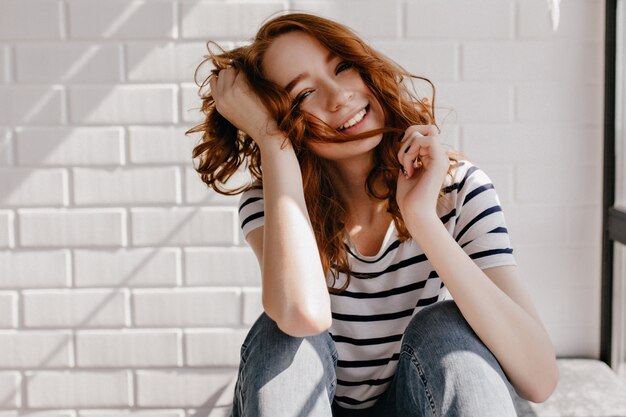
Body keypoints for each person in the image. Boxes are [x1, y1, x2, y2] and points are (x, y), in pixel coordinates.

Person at [187, 12, 559, 417]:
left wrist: (421, 218)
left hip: (415, 402)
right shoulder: (272, 200)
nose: (338, 96)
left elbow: (538, 379)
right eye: (302, 95)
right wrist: (272, 141)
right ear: (283, 119)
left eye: (342, 67)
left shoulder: (457, 188)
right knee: (282, 338)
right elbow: (301, 315)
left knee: (447, 329)